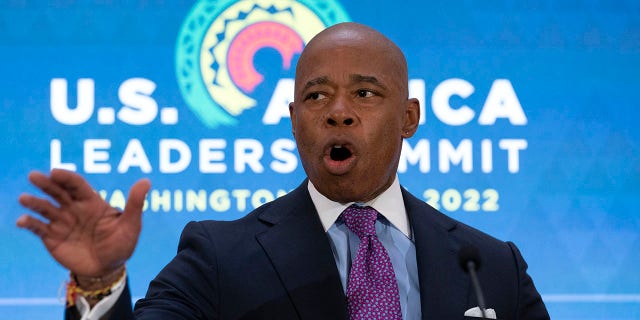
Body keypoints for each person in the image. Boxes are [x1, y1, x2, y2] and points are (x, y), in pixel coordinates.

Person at [17, 22, 550, 319]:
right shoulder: (220, 256)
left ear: (409, 117)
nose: (338, 111)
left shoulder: (492, 267)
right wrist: (100, 281)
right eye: (317, 96)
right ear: (296, 123)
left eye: (365, 93)